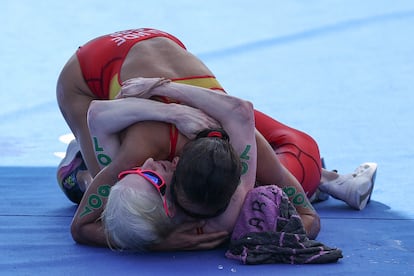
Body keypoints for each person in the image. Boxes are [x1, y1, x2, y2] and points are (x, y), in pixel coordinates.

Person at [57, 28, 376, 248]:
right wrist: (160, 243)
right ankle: (82, 175)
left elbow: (310, 219)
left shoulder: (242, 139)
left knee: (303, 158)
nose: (197, 224)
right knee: (114, 188)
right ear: (175, 165)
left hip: (168, 67)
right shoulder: (144, 148)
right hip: (89, 76)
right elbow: (82, 227)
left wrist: (254, 237)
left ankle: (322, 175)